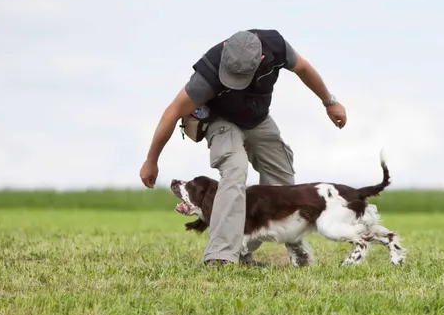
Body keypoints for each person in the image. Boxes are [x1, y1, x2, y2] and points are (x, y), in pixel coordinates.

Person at [139, 29, 348, 266]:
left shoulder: (277, 46)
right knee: (235, 171)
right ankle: (221, 255)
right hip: (221, 121)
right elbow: (172, 112)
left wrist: (329, 102)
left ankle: (250, 249)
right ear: (225, 49)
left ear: (261, 59)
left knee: (282, 183)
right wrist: (151, 160)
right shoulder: (207, 74)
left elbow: (304, 68)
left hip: (258, 119)